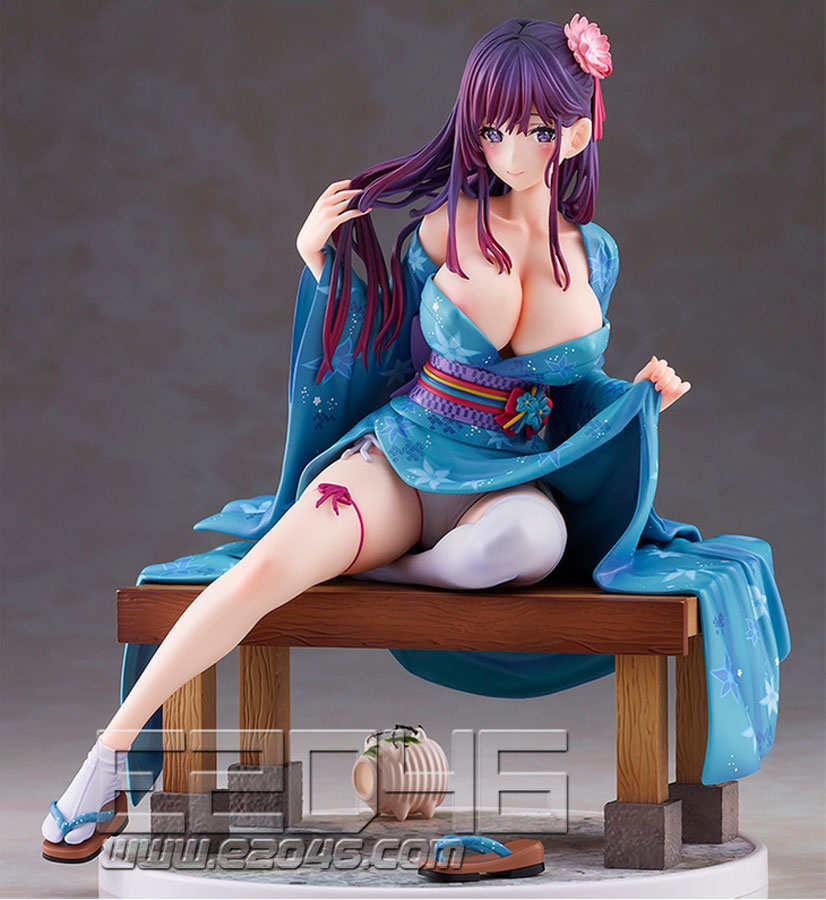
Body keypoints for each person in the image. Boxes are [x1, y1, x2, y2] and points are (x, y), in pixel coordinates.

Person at [42, 15, 789, 862]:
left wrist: (639, 400)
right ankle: (104, 762)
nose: (510, 151)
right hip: (404, 456)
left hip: (508, 476)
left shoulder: (595, 256)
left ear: (578, 133)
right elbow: (383, 349)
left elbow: (572, 394)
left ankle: (378, 568)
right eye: (494, 129)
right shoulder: (446, 227)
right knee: (261, 575)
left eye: (536, 130)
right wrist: (320, 263)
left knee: (530, 543)